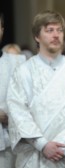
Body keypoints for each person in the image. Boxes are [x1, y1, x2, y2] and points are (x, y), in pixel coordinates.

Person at [6, 10, 65, 168]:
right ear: (37, 36)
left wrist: (62, 145)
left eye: (59, 30)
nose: (56, 35)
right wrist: (43, 145)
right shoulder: (23, 72)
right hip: (35, 155)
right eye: (49, 30)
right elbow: (17, 111)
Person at [0, 12, 26, 168]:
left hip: (10, 141)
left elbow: (28, 101)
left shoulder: (17, 63)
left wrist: (10, 115)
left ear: (2, 30)